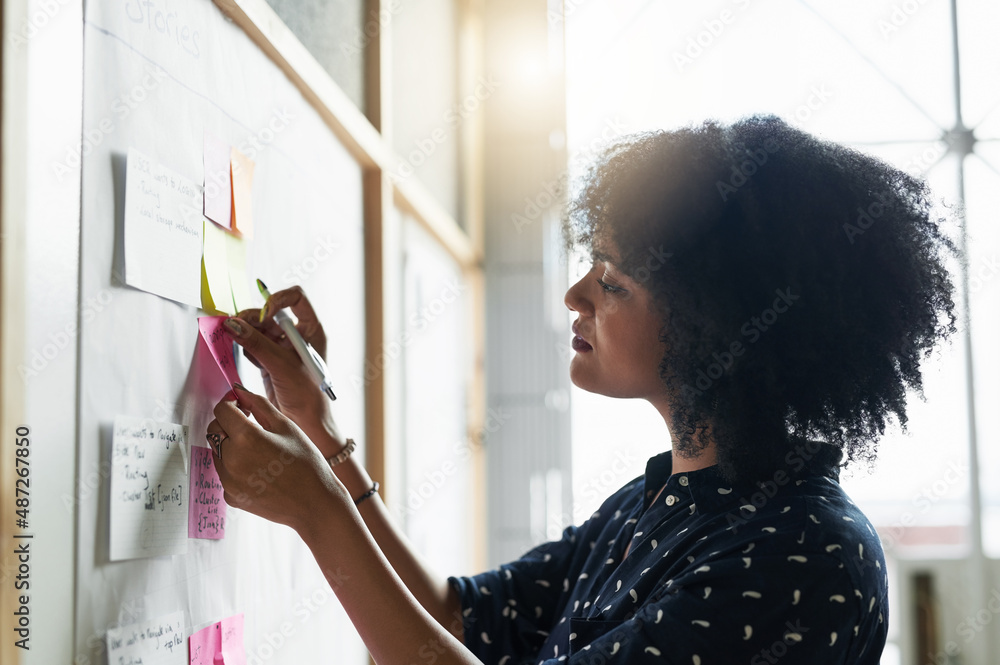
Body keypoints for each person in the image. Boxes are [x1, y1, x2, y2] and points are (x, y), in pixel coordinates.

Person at [206, 115, 958, 664]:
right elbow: (456, 619)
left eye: (611, 280)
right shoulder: (655, 502)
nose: (574, 294)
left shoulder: (808, 556)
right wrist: (322, 436)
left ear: (717, 325)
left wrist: (319, 510)